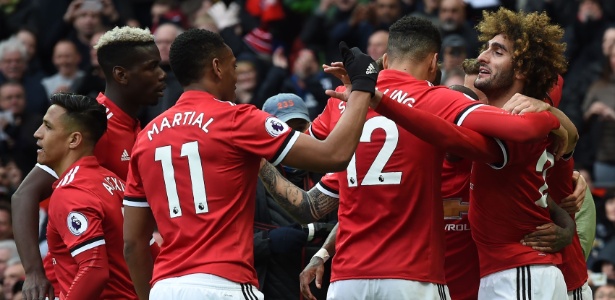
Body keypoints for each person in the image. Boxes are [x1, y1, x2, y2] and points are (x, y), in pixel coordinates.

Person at [260, 15, 576, 300]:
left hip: (350, 281)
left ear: (385, 58)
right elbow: (498, 137)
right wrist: (554, 117)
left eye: (497, 51)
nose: (482, 57)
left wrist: (255, 148)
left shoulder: (346, 107)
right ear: (433, 63)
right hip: (416, 278)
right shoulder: (437, 101)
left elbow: (310, 201)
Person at [122, 29, 376, 300]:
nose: (235, 80)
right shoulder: (236, 118)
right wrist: (363, 85)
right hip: (225, 284)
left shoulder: (147, 137)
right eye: (233, 67)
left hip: (165, 288)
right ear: (217, 67)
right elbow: (334, 155)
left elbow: (133, 243)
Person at [11, 26, 166, 300]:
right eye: (152, 68)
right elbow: (24, 194)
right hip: (75, 284)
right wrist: (34, 272)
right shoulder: (92, 130)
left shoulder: (138, 130)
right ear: (121, 74)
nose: (162, 75)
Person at [35, 93, 137, 299]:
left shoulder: (71, 192)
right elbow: (148, 251)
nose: (37, 133)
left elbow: (94, 270)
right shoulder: (114, 182)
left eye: (48, 126)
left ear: (74, 140)